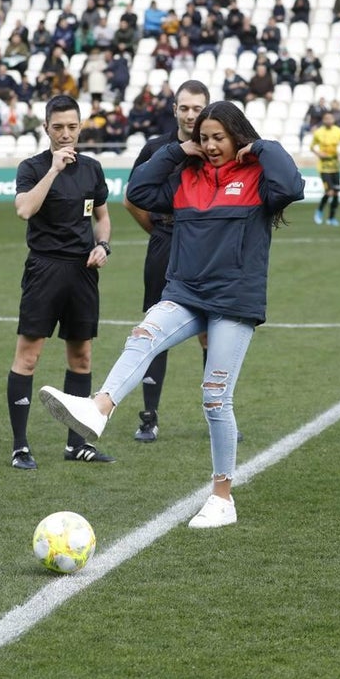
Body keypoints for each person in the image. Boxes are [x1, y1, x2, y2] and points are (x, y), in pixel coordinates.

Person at [39, 101, 305, 528]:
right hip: (185, 291)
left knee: (215, 398)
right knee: (143, 334)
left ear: (237, 135)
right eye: (204, 138)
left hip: (234, 300)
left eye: (219, 137)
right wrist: (179, 151)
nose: (211, 145)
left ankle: (222, 497)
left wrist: (259, 147)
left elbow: (292, 186)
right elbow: (139, 191)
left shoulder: (258, 176)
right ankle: (99, 408)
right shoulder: (186, 175)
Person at [6, 95, 113, 470]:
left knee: (81, 358)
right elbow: (24, 210)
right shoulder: (33, 167)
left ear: (81, 126)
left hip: (82, 272)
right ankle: (20, 446)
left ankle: (76, 444)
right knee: (29, 355)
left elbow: (102, 216)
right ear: (46, 129)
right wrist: (52, 170)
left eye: (72, 127)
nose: (65, 134)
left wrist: (103, 245)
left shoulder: (93, 169)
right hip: (45, 269)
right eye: (58, 128)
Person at [122, 79, 210, 442]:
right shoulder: (156, 148)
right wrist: (158, 233)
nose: (191, 115)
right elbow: (132, 199)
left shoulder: (218, 147)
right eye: (184, 108)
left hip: (205, 248)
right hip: (165, 242)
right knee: (155, 330)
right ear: (174, 109)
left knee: (211, 333)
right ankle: (148, 418)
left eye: (197, 108)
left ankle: (216, 417)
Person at [311, 111, 340, 226]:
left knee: (336, 194)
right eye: (326, 118)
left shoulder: (338, 131)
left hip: (335, 167)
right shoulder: (318, 133)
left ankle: (331, 218)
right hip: (324, 168)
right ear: (323, 120)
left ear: (333, 120)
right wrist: (319, 153)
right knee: (329, 192)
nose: (329, 120)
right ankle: (319, 210)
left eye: (330, 118)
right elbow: (312, 147)